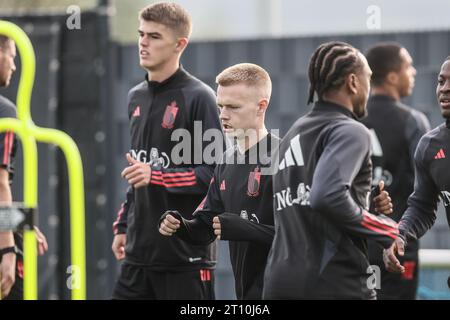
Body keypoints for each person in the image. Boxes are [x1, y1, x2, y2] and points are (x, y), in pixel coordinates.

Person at [263, 41, 398, 299]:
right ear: (353, 82)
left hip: (279, 283)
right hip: (333, 283)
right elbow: (327, 196)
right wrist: (387, 230)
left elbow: (305, 205)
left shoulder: (293, 133)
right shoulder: (350, 130)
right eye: (367, 78)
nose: (369, 88)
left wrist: (363, 204)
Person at [111, 3, 222, 300]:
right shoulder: (136, 97)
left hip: (185, 260)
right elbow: (140, 170)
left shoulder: (200, 98)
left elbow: (212, 176)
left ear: (179, 44)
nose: (143, 43)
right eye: (141, 34)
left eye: (154, 36)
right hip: (138, 257)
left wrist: (156, 175)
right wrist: (123, 225)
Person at [159, 63, 278, 300]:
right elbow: (205, 227)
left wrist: (245, 229)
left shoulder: (284, 157)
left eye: (233, 107)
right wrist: (181, 225)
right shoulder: (226, 161)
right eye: (220, 106)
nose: (223, 115)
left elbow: (301, 237)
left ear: (261, 107)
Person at [361, 42, 430, 299]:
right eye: (408, 66)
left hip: (355, 248)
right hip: (400, 247)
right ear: (392, 76)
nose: (413, 72)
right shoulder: (414, 121)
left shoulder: (349, 120)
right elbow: (428, 189)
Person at [383, 56, 450, 275]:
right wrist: (400, 234)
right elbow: (422, 206)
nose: (445, 89)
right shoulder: (430, 146)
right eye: (441, 81)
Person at [0, 35, 48, 300]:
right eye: (12, 57)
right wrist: (7, 250)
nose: (14, 66)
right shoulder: (4, 113)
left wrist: (18, 220)